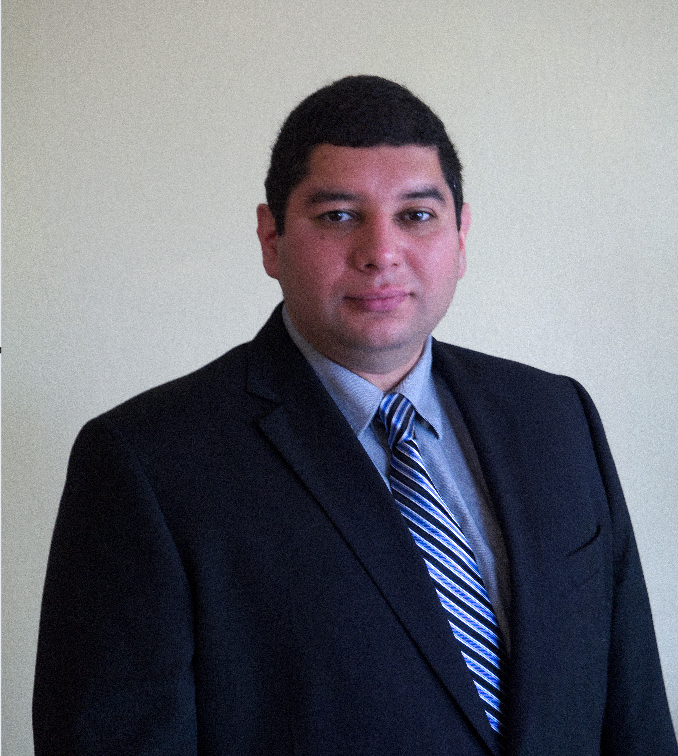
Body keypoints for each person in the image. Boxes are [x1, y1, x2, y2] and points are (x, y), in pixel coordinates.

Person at [33, 75, 676, 756]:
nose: (381, 252)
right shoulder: (149, 465)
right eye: (339, 215)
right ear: (270, 237)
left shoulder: (557, 417)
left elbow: (633, 715)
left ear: (461, 236)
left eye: (416, 215)